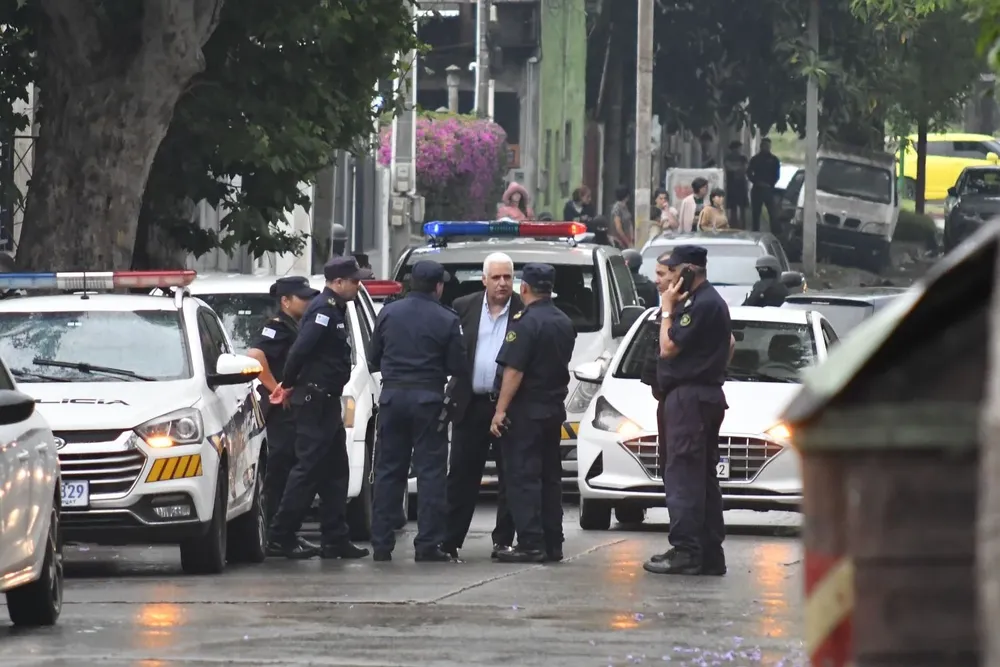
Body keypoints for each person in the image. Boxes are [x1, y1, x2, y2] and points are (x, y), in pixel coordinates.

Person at [267, 257, 371, 560]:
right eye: (354, 281)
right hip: (314, 401)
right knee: (307, 470)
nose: (358, 284)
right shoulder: (324, 311)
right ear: (338, 283)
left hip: (326, 402)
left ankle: (335, 538)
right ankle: (280, 536)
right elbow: (300, 350)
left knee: (336, 471)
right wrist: (287, 383)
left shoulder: (335, 309)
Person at [367, 260, 466, 562]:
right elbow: (458, 366)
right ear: (438, 287)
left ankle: (382, 545)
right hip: (428, 400)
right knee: (431, 474)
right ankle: (427, 545)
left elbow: (373, 358)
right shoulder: (447, 319)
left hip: (393, 398)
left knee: (387, 472)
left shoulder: (388, 312)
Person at [643, 245, 733, 576]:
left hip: (690, 399)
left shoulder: (701, 303)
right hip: (698, 396)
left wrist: (667, 309)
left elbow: (668, 348)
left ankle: (686, 550)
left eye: (672, 271)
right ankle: (708, 552)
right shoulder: (706, 302)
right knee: (701, 476)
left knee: (683, 475)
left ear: (687, 272)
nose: (665, 280)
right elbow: (731, 343)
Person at [489, 263, 577, 563]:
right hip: (552, 411)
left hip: (526, 413)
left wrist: (500, 410)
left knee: (522, 478)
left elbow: (514, 370)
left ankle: (530, 542)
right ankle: (553, 541)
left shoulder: (525, 323)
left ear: (523, 288)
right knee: (550, 478)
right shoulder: (563, 320)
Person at [441, 252, 519, 560]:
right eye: (496, 277)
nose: (502, 283)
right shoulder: (464, 308)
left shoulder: (523, 312)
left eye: (508, 277)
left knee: (510, 476)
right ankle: (450, 542)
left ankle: (503, 541)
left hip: (507, 407)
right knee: (461, 475)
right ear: (484, 279)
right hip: (470, 405)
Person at [246, 276, 320, 556]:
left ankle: (287, 534)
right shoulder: (276, 327)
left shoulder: (294, 326)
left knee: (290, 471)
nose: (309, 301)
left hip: (293, 413)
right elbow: (255, 355)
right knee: (280, 473)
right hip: (280, 415)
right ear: (285, 301)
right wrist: (275, 387)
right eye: (302, 297)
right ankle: (279, 537)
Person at [747, 138, 781, 233]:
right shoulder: (755, 159)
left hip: (769, 190)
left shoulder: (774, 160)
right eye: (764, 145)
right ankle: (755, 233)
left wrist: (770, 184)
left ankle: (775, 235)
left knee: (773, 214)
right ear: (761, 146)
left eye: (767, 146)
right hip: (757, 189)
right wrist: (755, 181)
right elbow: (749, 172)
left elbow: (777, 175)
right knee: (756, 214)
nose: (765, 147)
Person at [723, 141, 749, 228]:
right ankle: (733, 226)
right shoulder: (728, 158)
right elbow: (728, 167)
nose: (740, 150)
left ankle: (743, 226)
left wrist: (735, 168)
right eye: (738, 148)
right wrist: (738, 168)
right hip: (731, 185)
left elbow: (745, 168)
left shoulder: (743, 158)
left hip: (741, 185)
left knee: (743, 208)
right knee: (732, 207)